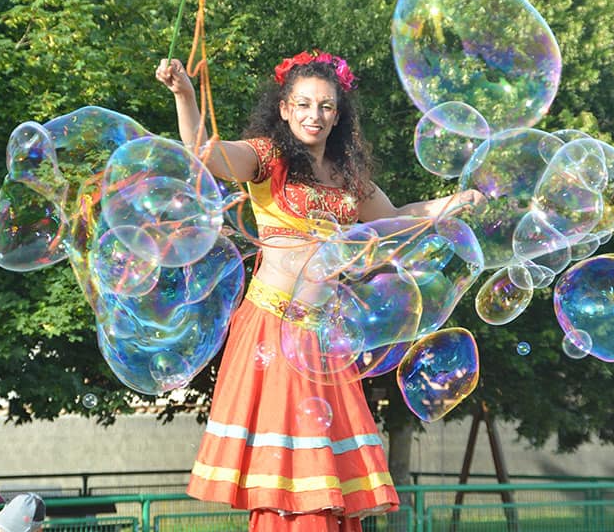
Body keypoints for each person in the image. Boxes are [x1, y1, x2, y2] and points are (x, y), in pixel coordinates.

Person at [156, 50, 484, 531]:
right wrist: (186, 93)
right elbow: (207, 152)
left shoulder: (349, 178)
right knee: (289, 485)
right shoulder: (266, 158)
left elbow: (398, 219)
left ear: (338, 114)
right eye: (304, 104)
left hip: (324, 338)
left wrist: (453, 202)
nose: (315, 115)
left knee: (323, 484)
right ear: (285, 108)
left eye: (326, 106)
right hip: (273, 328)